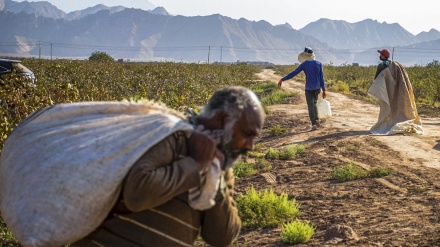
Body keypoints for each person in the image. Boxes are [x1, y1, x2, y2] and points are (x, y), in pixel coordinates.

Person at [70, 86, 266, 247]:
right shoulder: (170, 136)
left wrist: (216, 180)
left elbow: (222, 238)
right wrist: (195, 164)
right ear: (223, 119)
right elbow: (137, 194)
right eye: (247, 134)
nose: (250, 146)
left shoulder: (219, 169)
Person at [278, 47, 326, 131]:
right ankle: (317, 120)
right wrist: (324, 90)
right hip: (317, 88)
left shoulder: (305, 64)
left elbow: (294, 73)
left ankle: (314, 123)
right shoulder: (319, 63)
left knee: (310, 105)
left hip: (309, 88)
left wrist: (283, 79)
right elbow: (322, 78)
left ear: (305, 55)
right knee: (314, 103)